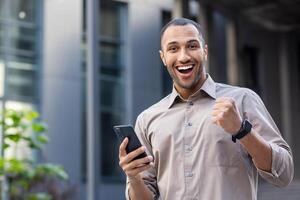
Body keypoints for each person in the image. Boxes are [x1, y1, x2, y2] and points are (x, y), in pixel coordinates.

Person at [118, 18, 294, 200]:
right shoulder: (147, 120)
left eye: (192, 46)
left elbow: (284, 174)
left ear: (205, 52)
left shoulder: (242, 100)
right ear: (163, 57)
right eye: (173, 48)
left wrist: (242, 130)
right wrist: (134, 178)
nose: (184, 56)